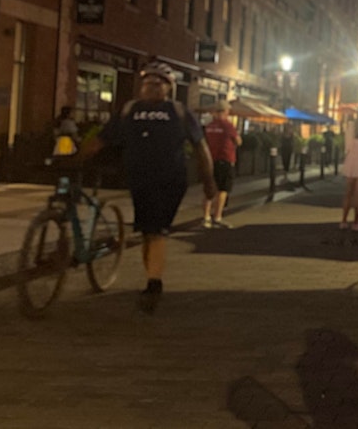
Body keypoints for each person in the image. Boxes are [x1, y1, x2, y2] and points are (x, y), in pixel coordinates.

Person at [80, 61, 216, 314]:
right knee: (148, 231)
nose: (152, 86)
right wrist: (75, 159)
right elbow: (101, 140)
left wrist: (209, 182)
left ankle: (154, 283)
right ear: (140, 87)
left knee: (155, 230)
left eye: (158, 82)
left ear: (168, 88)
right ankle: (151, 277)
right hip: (139, 180)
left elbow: (201, 148)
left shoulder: (179, 112)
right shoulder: (129, 110)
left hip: (170, 181)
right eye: (147, 82)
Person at [202, 100, 242, 229]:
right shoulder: (228, 125)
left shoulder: (209, 126)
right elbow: (238, 141)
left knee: (209, 190)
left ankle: (206, 217)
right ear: (225, 111)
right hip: (225, 159)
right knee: (223, 190)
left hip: (210, 160)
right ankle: (217, 217)